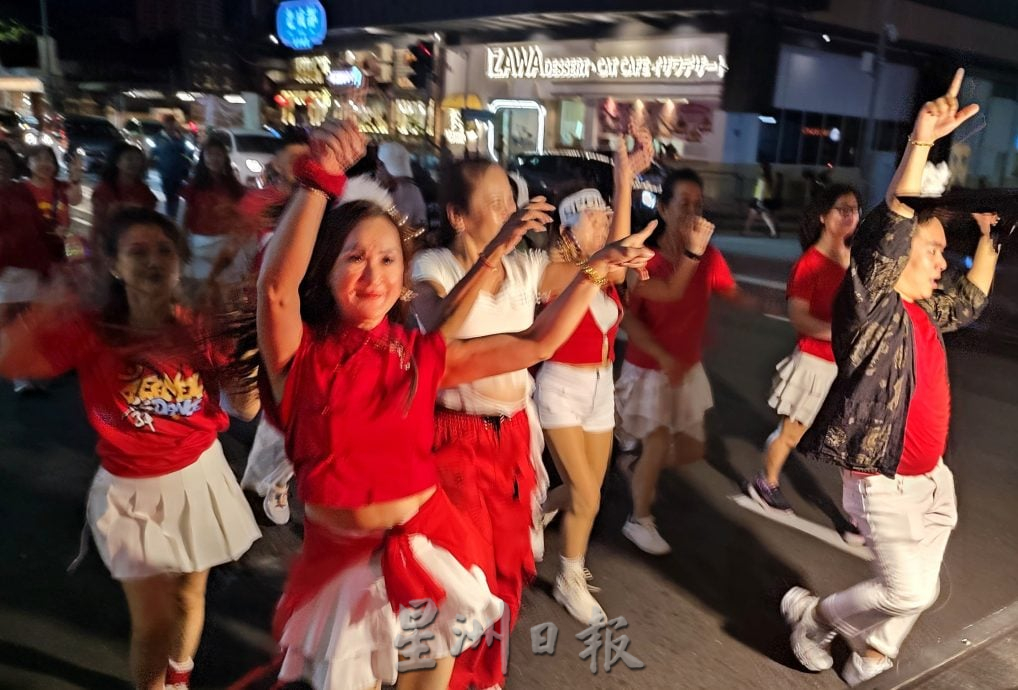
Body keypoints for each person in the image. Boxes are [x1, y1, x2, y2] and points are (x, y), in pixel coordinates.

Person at [256, 120, 651, 690]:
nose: (374, 274)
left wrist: (594, 269)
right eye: (355, 258)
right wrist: (318, 179)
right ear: (328, 270)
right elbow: (276, 290)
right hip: (343, 570)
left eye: (389, 260)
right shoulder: (301, 359)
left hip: (427, 551)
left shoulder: (418, 356)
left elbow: (534, 343)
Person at [782, 69, 994, 686]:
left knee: (917, 591)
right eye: (931, 249)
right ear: (894, 257)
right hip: (885, 479)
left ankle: (873, 651)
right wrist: (921, 141)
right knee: (909, 589)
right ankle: (815, 618)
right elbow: (892, 221)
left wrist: (990, 240)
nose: (941, 260)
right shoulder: (872, 306)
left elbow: (971, 300)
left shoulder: (924, 309)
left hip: (934, 481)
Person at [0, 207, 261, 690]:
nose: (152, 261)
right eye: (137, 252)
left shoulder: (199, 327)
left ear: (179, 261)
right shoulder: (92, 330)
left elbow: (245, 408)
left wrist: (246, 346)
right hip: (131, 489)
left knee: (189, 593)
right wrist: (49, 307)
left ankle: (179, 679)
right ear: (116, 265)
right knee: (154, 621)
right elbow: (11, 358)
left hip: (198, 476)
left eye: (164, 250)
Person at [409, 159, 555, 689]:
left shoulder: (525, 267)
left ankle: (488, 677)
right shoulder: (431, 265)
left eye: (509, 200)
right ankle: (448, 679)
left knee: (509, 568)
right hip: (453, 436)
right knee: (461, 574)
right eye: (494, 204)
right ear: (458, 216)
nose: (508, 213)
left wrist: (622, 196)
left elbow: (599, 274)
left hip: (515, 432)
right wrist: (494, 253)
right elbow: (436, 332)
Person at [534, 129, 654, 623]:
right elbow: (606, 266)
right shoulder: (552, 272)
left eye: (607, 220)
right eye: (596, 221)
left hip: (601, 390)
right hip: (560, 386)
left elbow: (617, 255)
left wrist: (624, 178)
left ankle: (533, 510)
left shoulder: (605, 264)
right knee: (584, 493)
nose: (606, 229)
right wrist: (614, 258)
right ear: (568, 231)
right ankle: (569, 575)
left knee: (589, 491)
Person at [614, 168, 755, 556]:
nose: (694, 212)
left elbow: (729, 290)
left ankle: (635, 466)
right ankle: (637, 519)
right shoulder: (644, 261)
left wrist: (761, 304)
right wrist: (662, 356)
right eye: (684, 204)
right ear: (663, 208)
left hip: (687, 369)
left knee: (693, 450)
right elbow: (634, 316)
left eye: (698, 205)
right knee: (658, 443)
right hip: (650, 371)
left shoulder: (708, 256)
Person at [749, 184, 860, 517]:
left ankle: (858, 514)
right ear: (824, 217)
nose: (851, 215)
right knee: (791, 434)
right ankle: (764, 482)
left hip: (845, 366)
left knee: (849, 442)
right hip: (814, 362)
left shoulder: (853, 260)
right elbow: (799, 318)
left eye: (855, 209)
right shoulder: (809, 264)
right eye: (843, 209)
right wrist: (839, 333)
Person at [180, 137, 247, 281]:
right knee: (202, 288)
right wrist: (182, 242)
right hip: (200, 244)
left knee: (228, 289)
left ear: (224, 158)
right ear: (203, 157)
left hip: (226, 243)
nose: (214, 158)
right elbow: (185, 215)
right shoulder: (193, 186)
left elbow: (242, 214)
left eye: (218, 154)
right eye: (210, 154)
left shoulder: (233, 186)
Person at [91, 143, 157, 249]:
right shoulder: (104, 189)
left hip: (136, 245)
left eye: (138, 159)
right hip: (110, 245)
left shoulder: (144, 191)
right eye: (129, 159)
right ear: (117, 162)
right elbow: (98, 224)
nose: (135, 163)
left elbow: (150, 220)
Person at [377, 141, 428, 229]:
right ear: (379, 165)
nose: (399, 180)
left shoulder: (412, 191)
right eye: (393, 175)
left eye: (402, 175)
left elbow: (420, 224)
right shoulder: (367, 191)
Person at [153, 115, 193, 220]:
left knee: (177, 196)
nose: (170, 125)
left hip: (179, 172)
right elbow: (153, 153)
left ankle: (173, 216)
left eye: (172, 122)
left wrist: (188, 166)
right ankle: (171, 216)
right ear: (164, 124)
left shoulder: (181, 138)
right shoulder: (158, 138)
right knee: (169, 195)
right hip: (165, 172)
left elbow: (189, 153)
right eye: (168, 122)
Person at [744, 161, 778, 238]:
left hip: (759, 199)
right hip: (764, 199)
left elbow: (762, 189)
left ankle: (773, 232)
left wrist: (760, 200)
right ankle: (747, 230)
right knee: (759, 216)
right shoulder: (769, 177)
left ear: (762, 169)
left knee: (760, 216)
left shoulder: (762, 178)